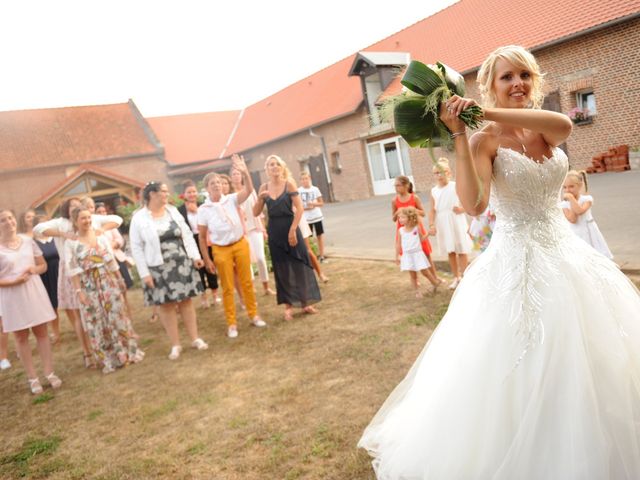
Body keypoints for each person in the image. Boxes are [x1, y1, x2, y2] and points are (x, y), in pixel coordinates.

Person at [359, 45, 640, 479]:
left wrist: (489, 110)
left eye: (524, 76)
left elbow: (564, 123)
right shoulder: (484, 138)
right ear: (490, 85)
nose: (518, 84)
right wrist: (460, 132)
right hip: (516, 260)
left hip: (566, 253)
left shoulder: (546, 128)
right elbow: (473, 205)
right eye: (507, 77)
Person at [33, 198, 123, 367]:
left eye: (78, 205)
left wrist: (101, 229)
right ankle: (87, 352)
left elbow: (117, 220)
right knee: (79, 316)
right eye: (72, 206)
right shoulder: (60, 223)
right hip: (71, 272)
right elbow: (38, 228)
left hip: (95, 271)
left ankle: (113, 346)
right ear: (66, 209)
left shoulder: (90, 219)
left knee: (103, 311)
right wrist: (62, 234)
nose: (76, 208)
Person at [129, 182, 209, 360]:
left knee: (186, 302)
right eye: (163, 191)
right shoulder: (139, 218)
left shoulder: (172, 211)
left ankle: (195, 338)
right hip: (157, 267)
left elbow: (187, 234)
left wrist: (195, 256)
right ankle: (175, 344)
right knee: (166, 306)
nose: (167, 194)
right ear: (152, 195)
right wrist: (144, 273)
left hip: (181, 263)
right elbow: (136, 247)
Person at [65, 208, 144, 373]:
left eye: (88, 217)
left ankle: (127, 352)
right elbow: (72, 269)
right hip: (88, 285)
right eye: (82, 218)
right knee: (97, 320)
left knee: (116, 314)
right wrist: (79, 292)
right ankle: (108, 359)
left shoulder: (101, 236)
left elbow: (110, 260)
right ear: (75, 221)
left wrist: (120, 278)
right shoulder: (71, 243)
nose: (87, 221)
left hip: (107, 279)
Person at [198, 156, 266, 339]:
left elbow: (249, 189)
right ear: (207, 188)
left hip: (240, 244)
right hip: (221, 249)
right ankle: (232, 323)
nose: (217, 185)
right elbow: (203, 238)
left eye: (219, 182)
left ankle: (254, 315)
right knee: (227, 287)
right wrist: (206, 259)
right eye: (213, 184)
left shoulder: (231, 199)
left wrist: (244, 171)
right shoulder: (204, 209)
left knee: (247, 282)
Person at [0, 209, 61, 394]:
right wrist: (13, 281)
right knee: (20, 336)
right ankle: (32, 378)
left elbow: (43, 266)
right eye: (3, 220)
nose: (8, 222)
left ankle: (49, 372)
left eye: (10, 218)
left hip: (33, 291)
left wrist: (33, 270)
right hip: (12, 295)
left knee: (42, 332)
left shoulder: (27, 241)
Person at [254, 155, 321, 321]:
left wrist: (293, 230)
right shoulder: (264, 187)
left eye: (277, 164)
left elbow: (299, 208)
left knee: (300, 265)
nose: (274, 167)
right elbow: (256, 213)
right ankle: (288, 306)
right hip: (275, 231)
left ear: (281, 167)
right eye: (271, 165)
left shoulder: (289, 184)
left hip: (291, 227)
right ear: (267, 169)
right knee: (282, 268)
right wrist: (261, 198)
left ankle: (305, 303)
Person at [230, 166, 277, 296]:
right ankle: (250, 287)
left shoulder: (250, 191)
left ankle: (266, 286)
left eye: (238, 174)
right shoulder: (231, 196)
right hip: (241, 232)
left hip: (255, 228)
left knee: (261, 258)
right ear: (231, 177)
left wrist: (263, 229)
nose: (236, 176)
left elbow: (259, 210)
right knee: (246, 261)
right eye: (234, 174)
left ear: (242, 176)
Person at [428, 158, 472, 289]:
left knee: (461, 249)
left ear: (448, 172)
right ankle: (456, 277)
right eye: (436, 173)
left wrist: (462, 209)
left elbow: (467, 202)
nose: (439, 175)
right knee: (450, 250)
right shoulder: (434, 191)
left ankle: (465, 276)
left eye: (441, 172)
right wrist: (431, 225)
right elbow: (432, 210)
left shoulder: (455, 186)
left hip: (456, 219)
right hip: (443, 222)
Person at [177, 181, 221, 308]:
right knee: (199, 269)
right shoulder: (180, 210)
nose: (192, 194)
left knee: (209, 264)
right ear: (184, 194)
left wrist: (196, 211)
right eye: (189, 192)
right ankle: (203, 297)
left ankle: (215, 294)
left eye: (193, 191)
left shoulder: (203, 206)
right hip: (191, 241)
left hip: (205, 238)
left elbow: (211, 222)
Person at [392, 176, 438, 280]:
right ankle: (415, 281)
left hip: (416, 229)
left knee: (426, 253)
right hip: (403, 230)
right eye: (395, 185)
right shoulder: (394, 201)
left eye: (398, 185)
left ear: (406, 185)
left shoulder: (414, 198)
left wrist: (412, 210)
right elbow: (394, 218)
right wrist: (397, 213)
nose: (396, 187)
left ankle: (435, 277)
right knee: (408, 256)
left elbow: (423, 213)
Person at [561, 170, 613, 259]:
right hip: (575, 233)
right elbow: (572, 220)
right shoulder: (564, 204)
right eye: (564, 187)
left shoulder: (587, 199)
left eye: (571, 186)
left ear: (580, 185)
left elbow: (579, 211)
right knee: (580, 257)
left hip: (589, 232)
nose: (567, 190)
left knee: (596, 255)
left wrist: (571, 198)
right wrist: (571, 200)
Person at [395, 207, 442, 298]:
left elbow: (421, 239)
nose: (400, 219)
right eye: (399, 217)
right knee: (413, 275)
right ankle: (417, 291)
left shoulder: (416, 228)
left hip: (417, 254)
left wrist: (428, 234)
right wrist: (397, 256)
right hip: (408, 255)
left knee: (425, 272)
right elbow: (398, 244)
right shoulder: (400, 231)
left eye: (402, 217)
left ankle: (435, 283)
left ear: (409, 218)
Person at [32, 215, 61, 344]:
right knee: (52, 305)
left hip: (60, 272)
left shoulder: (55, 238)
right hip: (46, 276)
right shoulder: (35, 243)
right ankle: (56, 332)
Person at [298, 172, 327, 262]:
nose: (304, 181)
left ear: (309, 179)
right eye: (302, 179)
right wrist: (305, 208)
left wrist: (314, 204)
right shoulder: (298, 191)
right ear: (300, 181)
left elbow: (321, 203)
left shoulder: (315, 189)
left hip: (317, 216)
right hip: (306, 219)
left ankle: (322, 256)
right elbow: (297, 206)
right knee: (308, 239)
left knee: (319, 236)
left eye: (306, 178)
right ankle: (311, 258)